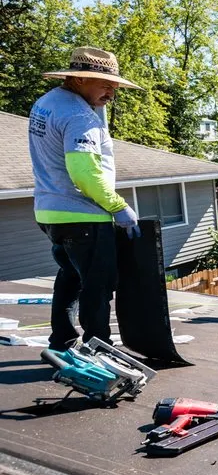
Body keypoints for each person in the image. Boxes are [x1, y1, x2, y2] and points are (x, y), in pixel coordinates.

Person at [28, 47, 143, 350]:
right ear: (79, 79)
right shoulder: (79, 116)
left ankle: (62, 343)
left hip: (50, 213)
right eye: (106, 85)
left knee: (70, 278)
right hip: (84, 216)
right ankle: (98, 350)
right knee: (97, 286)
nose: (112, 93)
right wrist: (118, 206)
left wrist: (99, 102)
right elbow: (84, 173)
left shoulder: (46, 103)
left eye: (115, 87)